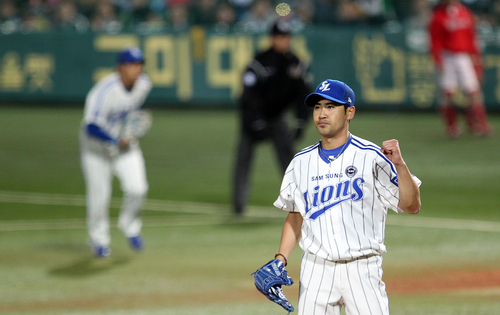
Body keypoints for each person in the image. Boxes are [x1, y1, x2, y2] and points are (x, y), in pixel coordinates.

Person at [266, 79, 422, 314]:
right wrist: (281, 258)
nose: (321, 114)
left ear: (350, 112)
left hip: (362, 268)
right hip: (316, 270)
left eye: (330, 107)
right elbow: (296, 216)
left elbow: (411, 206)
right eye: (317, 107)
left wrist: (400, 166)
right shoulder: (300, 162)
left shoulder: (372, 157)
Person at [232, 20, 312, 215]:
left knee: (290, 160)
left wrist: (302, 121)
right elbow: (248, 97)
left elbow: (303, 95)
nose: (284, 41)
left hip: (277, 118)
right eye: (280, 37)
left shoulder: (295, 63)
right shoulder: (259, 62)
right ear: (273, 38)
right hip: (253, 118)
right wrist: (256, 123)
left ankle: (301, 202)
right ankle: (238, 206)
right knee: (243, 160)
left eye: (287, 37)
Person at [79, 47, 152, 258]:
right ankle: (99, 241)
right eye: (132, 64)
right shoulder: (103, 91)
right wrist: (113, 140)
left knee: (138, 188)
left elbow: (132, 110)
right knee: (99, 196)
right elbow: (90, 126)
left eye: (139, 64)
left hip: (124, 145)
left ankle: (130, 226)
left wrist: (131, 130)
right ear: (120, 68)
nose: (137, 69)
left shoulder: (144, 85)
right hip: (95, 148)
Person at [429, 0, 493, 138]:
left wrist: (476, 58)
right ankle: (452, 126)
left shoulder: (464, 12)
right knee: (448, 93)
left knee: (473, 91)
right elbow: (435, 39)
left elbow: (471, 36)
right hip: (447, 56)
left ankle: (478, 124)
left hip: (464, 56)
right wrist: (438, 59)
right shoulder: (438, 15)